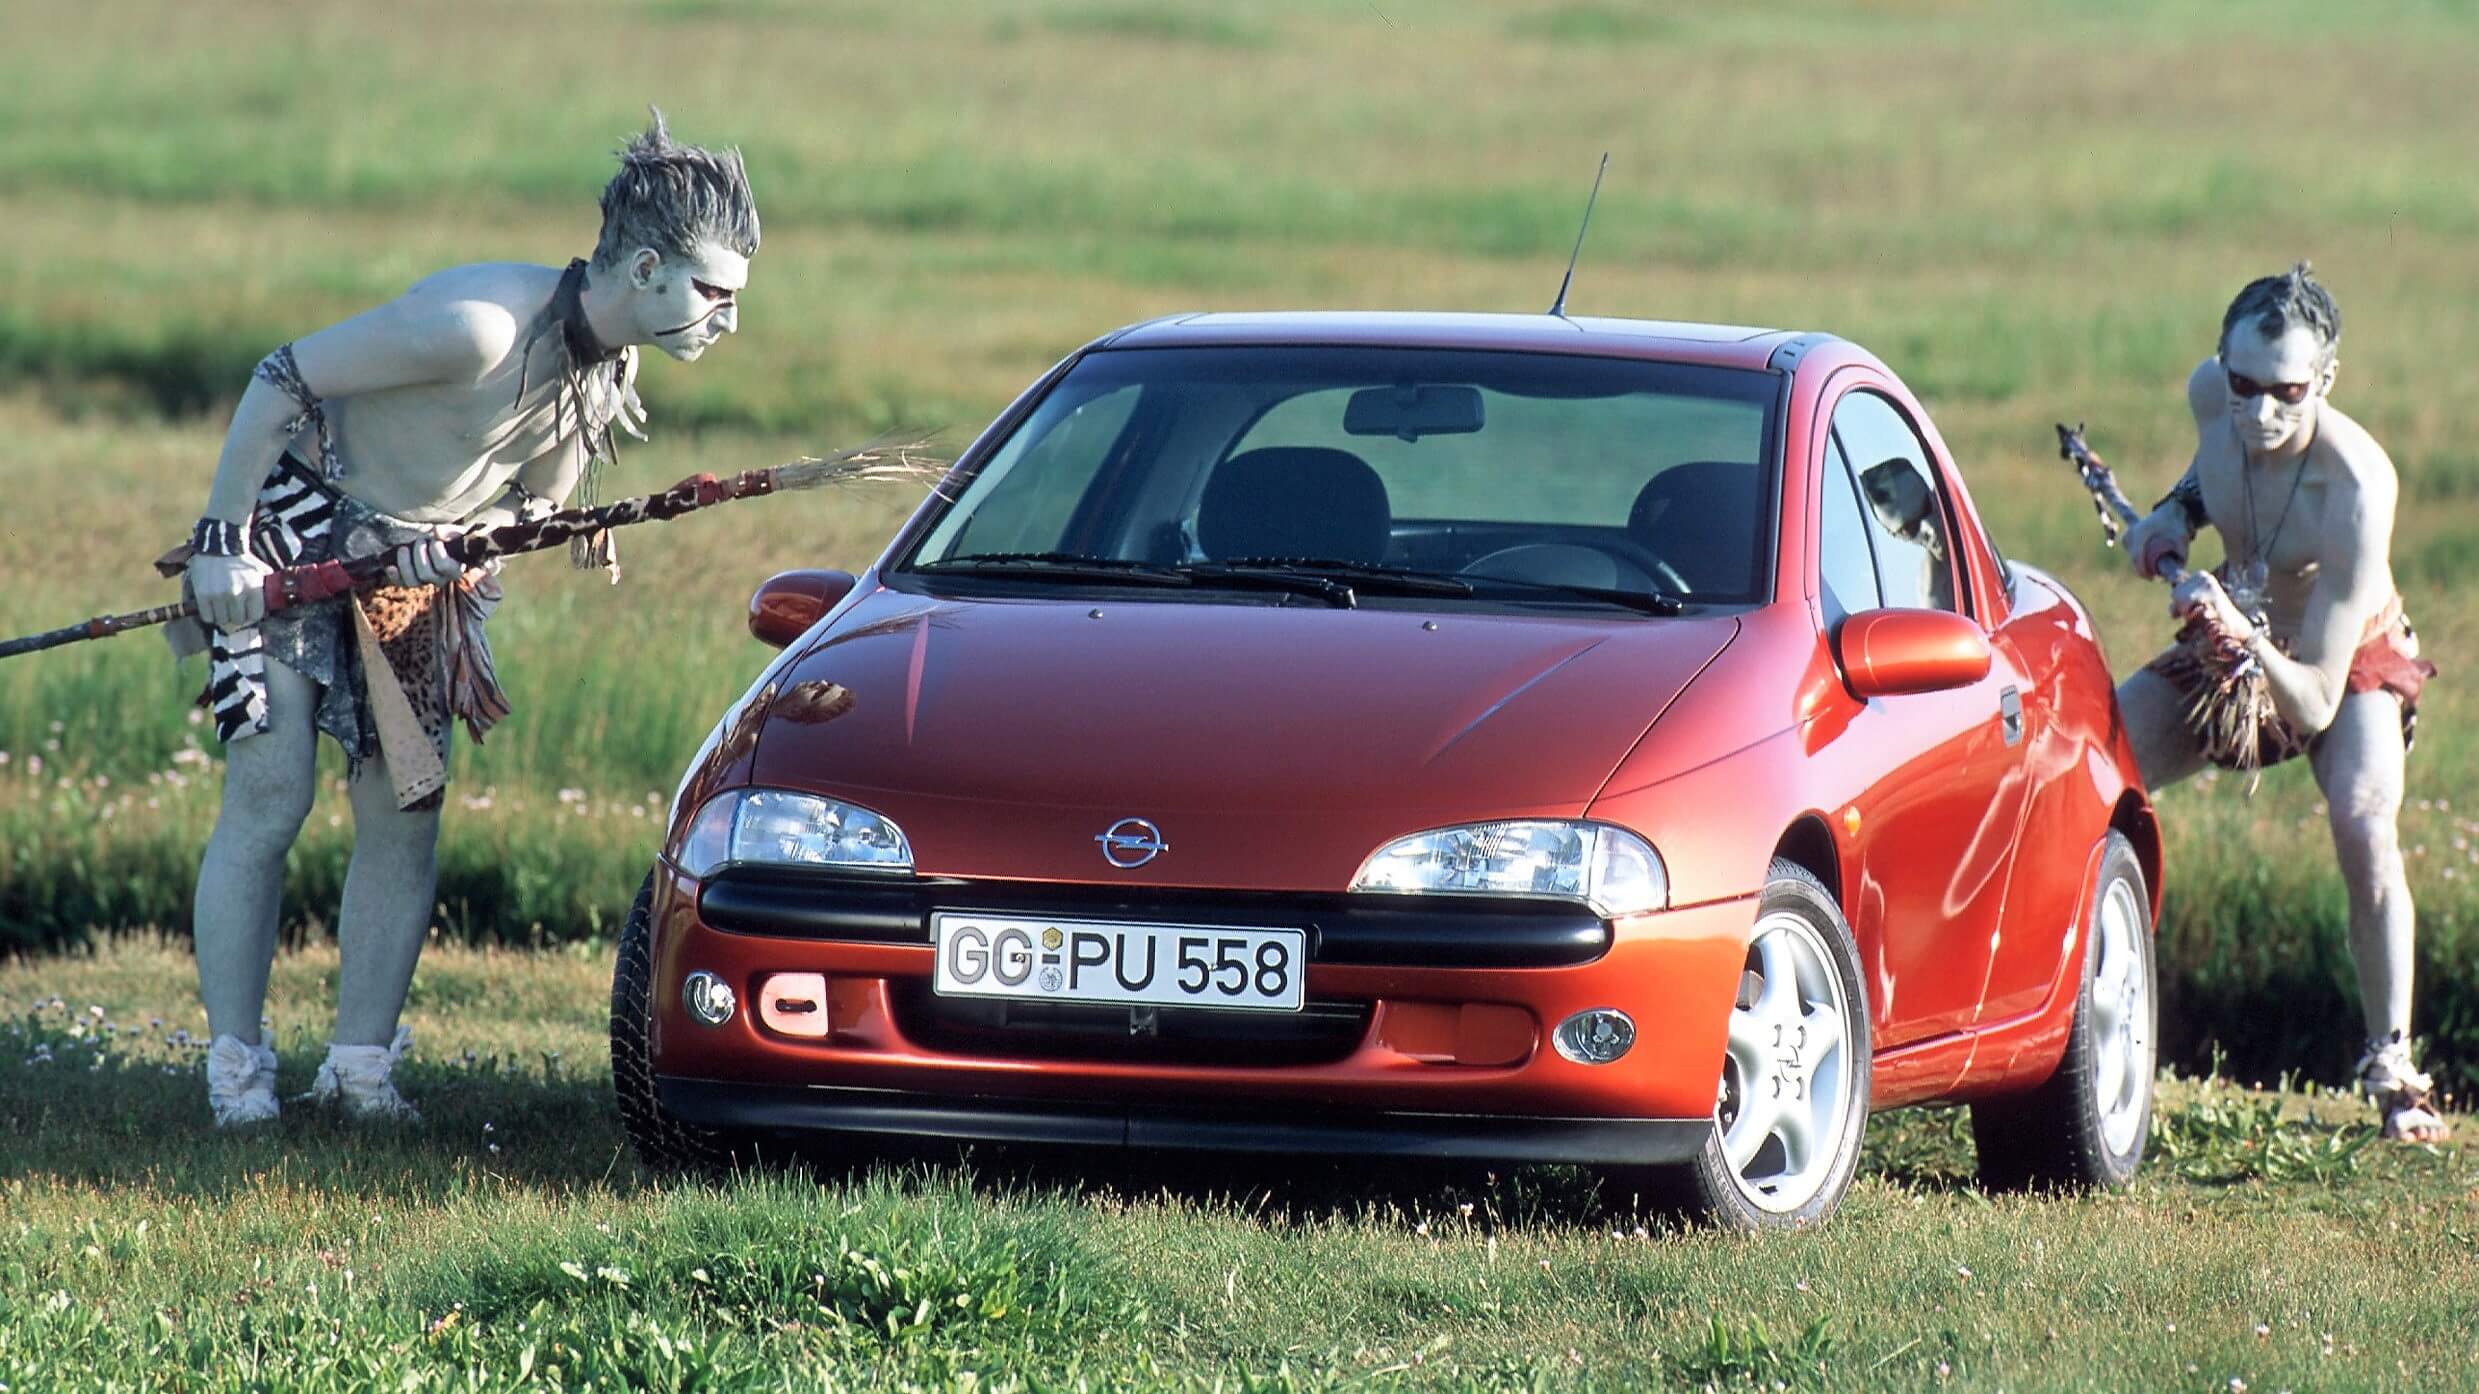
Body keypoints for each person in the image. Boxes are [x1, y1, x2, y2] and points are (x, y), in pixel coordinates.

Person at [180, 111, 758, 1125]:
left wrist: (505, 528)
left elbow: (523, 500)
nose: (726, 320)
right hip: (295, 535)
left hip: (411, 578)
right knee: (271, 800)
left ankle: (359, 1070)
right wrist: (223, 540)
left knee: (406, 818)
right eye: (714, 293)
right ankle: (236, 1067)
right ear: (648, 268)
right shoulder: (479, 326)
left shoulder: (606, 364)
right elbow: (279, 377)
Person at [2119, 263, 2444, 1142]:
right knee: (2098, 765)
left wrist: (2243, 632)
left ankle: (2392, 1066)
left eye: (2287, 393)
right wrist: (2170, 519)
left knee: (2362, 821)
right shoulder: (2210, 396)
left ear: (2325, 381)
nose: (2259, 413)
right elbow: (2206, 475)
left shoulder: (2356, 488)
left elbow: (2309, 702)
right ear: (2221, 365)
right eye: (2243, 385)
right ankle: (2074, 1026)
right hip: (2238, 625)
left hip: (2339, 658)